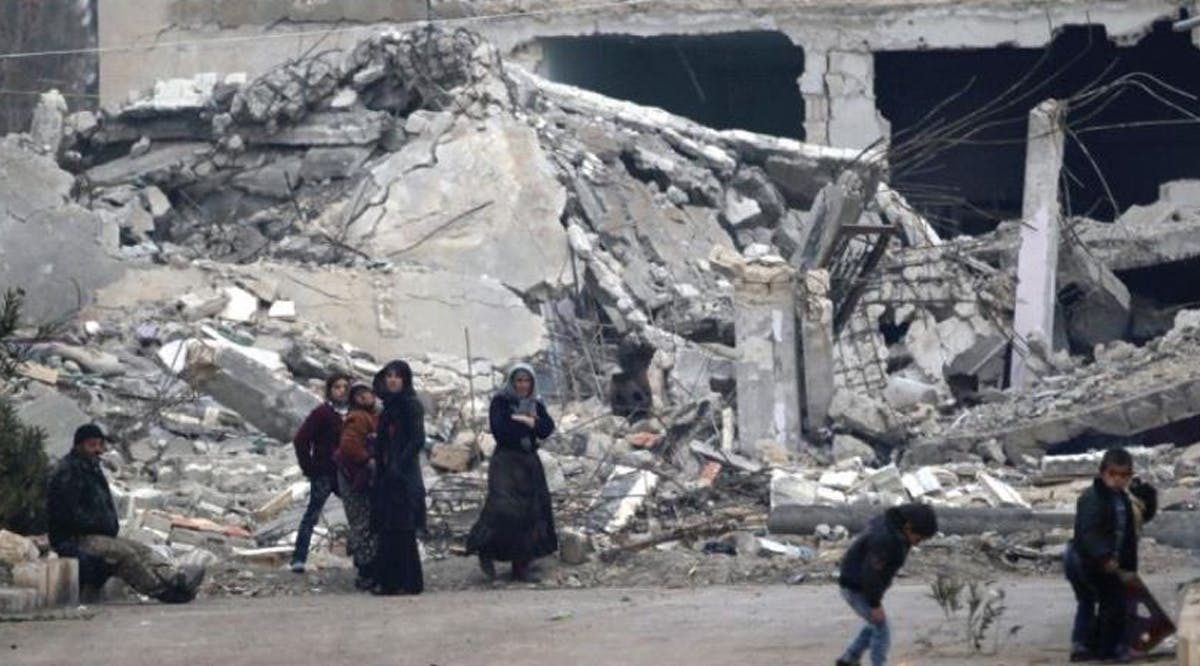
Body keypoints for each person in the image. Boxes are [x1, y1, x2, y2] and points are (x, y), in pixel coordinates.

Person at [48, 424, 204, 603]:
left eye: (100, 445)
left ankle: (176, 579)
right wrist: (102, 525)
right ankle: (163, 591)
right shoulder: (68, 472)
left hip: (98, 535)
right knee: (125, 554)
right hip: (76, 539)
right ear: (79, 446)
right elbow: (70, 515)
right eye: (92, 445)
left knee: (142, 549)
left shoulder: (91, 469)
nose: (98, 450)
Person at [466, 363, 558, 582]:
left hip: (529, 463)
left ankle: (521, 565)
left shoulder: (535, 404)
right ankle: (485, 550)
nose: (523, 385)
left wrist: (529, 420)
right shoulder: (501, 402)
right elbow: (502, 431)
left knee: (531, 512)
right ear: (511, 382)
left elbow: (547, 428)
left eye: (527, 380)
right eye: (519, 380)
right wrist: (529, 425)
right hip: (506, 464)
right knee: (503, 510)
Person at [1063, 448, 1151, 662]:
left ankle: (1083, 645)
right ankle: (1108, 650)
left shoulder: (1121, 500)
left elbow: (1128, 536)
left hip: (1095, 558)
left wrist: (1128, 568)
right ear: (1103, 473)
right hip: (1085, 559)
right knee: (1111, 601)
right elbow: (1089, 532)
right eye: (1113, 474)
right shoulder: (1093, 498)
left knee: (1092, 601)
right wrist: (1104, 557)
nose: (1118, 479)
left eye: (1123, 475)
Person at [836, 503, 939, 666]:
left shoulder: (892, 528)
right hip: (856, 587)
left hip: (858, 584)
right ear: (908, 527)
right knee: (882, 630)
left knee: (874, 624)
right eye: (918, 538)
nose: (917, 544)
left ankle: (849, 659)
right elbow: (871, 573)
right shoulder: (886, 539)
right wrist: (875, 604)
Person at [370, 360, 426, 595]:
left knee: (403, 529)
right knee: (389, 529)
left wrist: (398, 464)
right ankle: (391, 581)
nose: (392, 380)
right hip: (388, 476)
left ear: (405, 380)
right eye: (389, 376)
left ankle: (406, 581)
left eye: (397, 376)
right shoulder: (388, 407)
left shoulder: (410, 405)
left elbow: (416, 440)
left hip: (404, 476)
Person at [290, 373, 351, 573]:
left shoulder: (352, 414)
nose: (341, 391)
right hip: (324, 472)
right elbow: (301, 440)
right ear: (330, 390)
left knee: (356, 512)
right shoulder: (322, 413)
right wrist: (309, 468)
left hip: (346, 473)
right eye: (337, 387)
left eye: (345, 387)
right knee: (312, 515)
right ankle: (298, 559)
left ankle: (360, 554)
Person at [335, 383, 379, 590]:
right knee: (362, 523)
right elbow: (349, 444)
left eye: (368, 394)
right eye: (360, 396)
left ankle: (369, 568)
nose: (366, 398)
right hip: (355, 479)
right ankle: (365, 570)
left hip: (359, 478)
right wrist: (367, 461)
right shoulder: (358, 418)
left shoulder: (370, 416)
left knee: (367, 522)